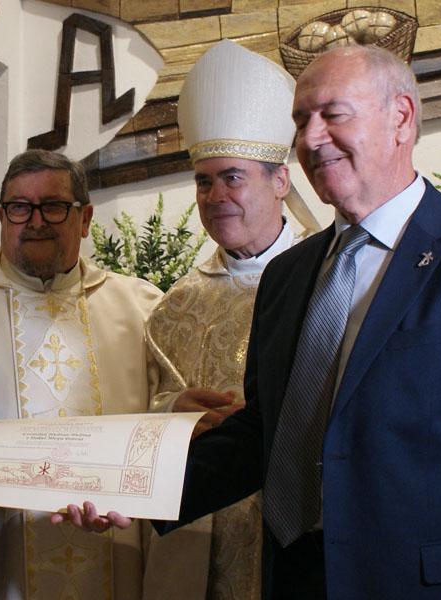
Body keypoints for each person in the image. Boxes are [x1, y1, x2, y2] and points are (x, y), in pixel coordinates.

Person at [57, 45, 441, 599]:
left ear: (400, 118)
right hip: (296, 580)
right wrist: (134, 490)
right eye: (300, 119)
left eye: (332, 115)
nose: (308, 139)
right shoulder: (288, 274)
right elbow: (265, 433)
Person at [0, 149, 163, 599]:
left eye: (53, 206)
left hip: (113, 542)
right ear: (1, 217)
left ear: (84, 218)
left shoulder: (141, 308)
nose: (35, 221)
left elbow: (164, 430)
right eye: (19, 208)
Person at [142, 40, 319, 600]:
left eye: (233, 177)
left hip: (294, 542)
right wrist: (174, 414)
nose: (216, 196)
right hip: (192, 541)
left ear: (280, 181)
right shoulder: (174, 307)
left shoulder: (328, 285)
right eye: (203, 181)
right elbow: (148, 407)